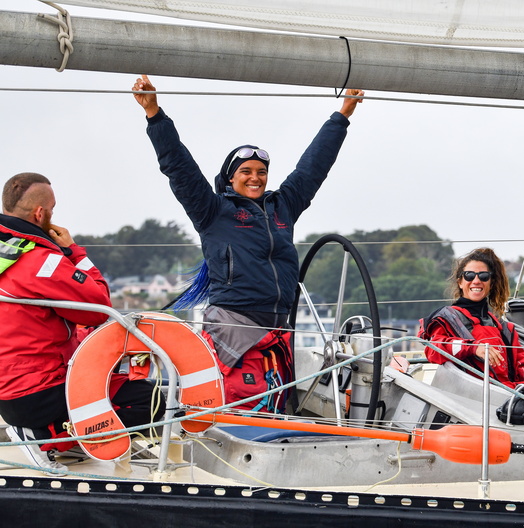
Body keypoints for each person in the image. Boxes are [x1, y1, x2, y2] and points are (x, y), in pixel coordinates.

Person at [132, 75, 364, 412]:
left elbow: (313, 167)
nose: (255, 177)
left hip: (278, 327)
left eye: (261, 172)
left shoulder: (283, 206)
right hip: (234, 326)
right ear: (231, 177)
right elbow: (179, 168)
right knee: (241, 406)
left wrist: (342, 116)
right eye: (246, 171)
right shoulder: (212, 210)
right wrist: (155, 115)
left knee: (276, 408)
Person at [0, 173, 164, 473]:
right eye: (52, 209)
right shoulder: (42, 262)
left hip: (10, 389)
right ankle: (45, 436)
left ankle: (65, 438)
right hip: (38, 392)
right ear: (40, 213)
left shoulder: (7, 254)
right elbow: (98, 308)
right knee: (151, 401)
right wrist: (74, 252)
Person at [420, 248, 524, 398]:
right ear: (460, 282)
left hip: (509, 396)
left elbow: (522, 364)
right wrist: (472, 348)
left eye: (484, 276)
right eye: (469, 275)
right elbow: (433, 350)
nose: (476, 281)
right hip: (472, 398)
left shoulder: (504, 329)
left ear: (491, 283)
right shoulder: (446, 320)